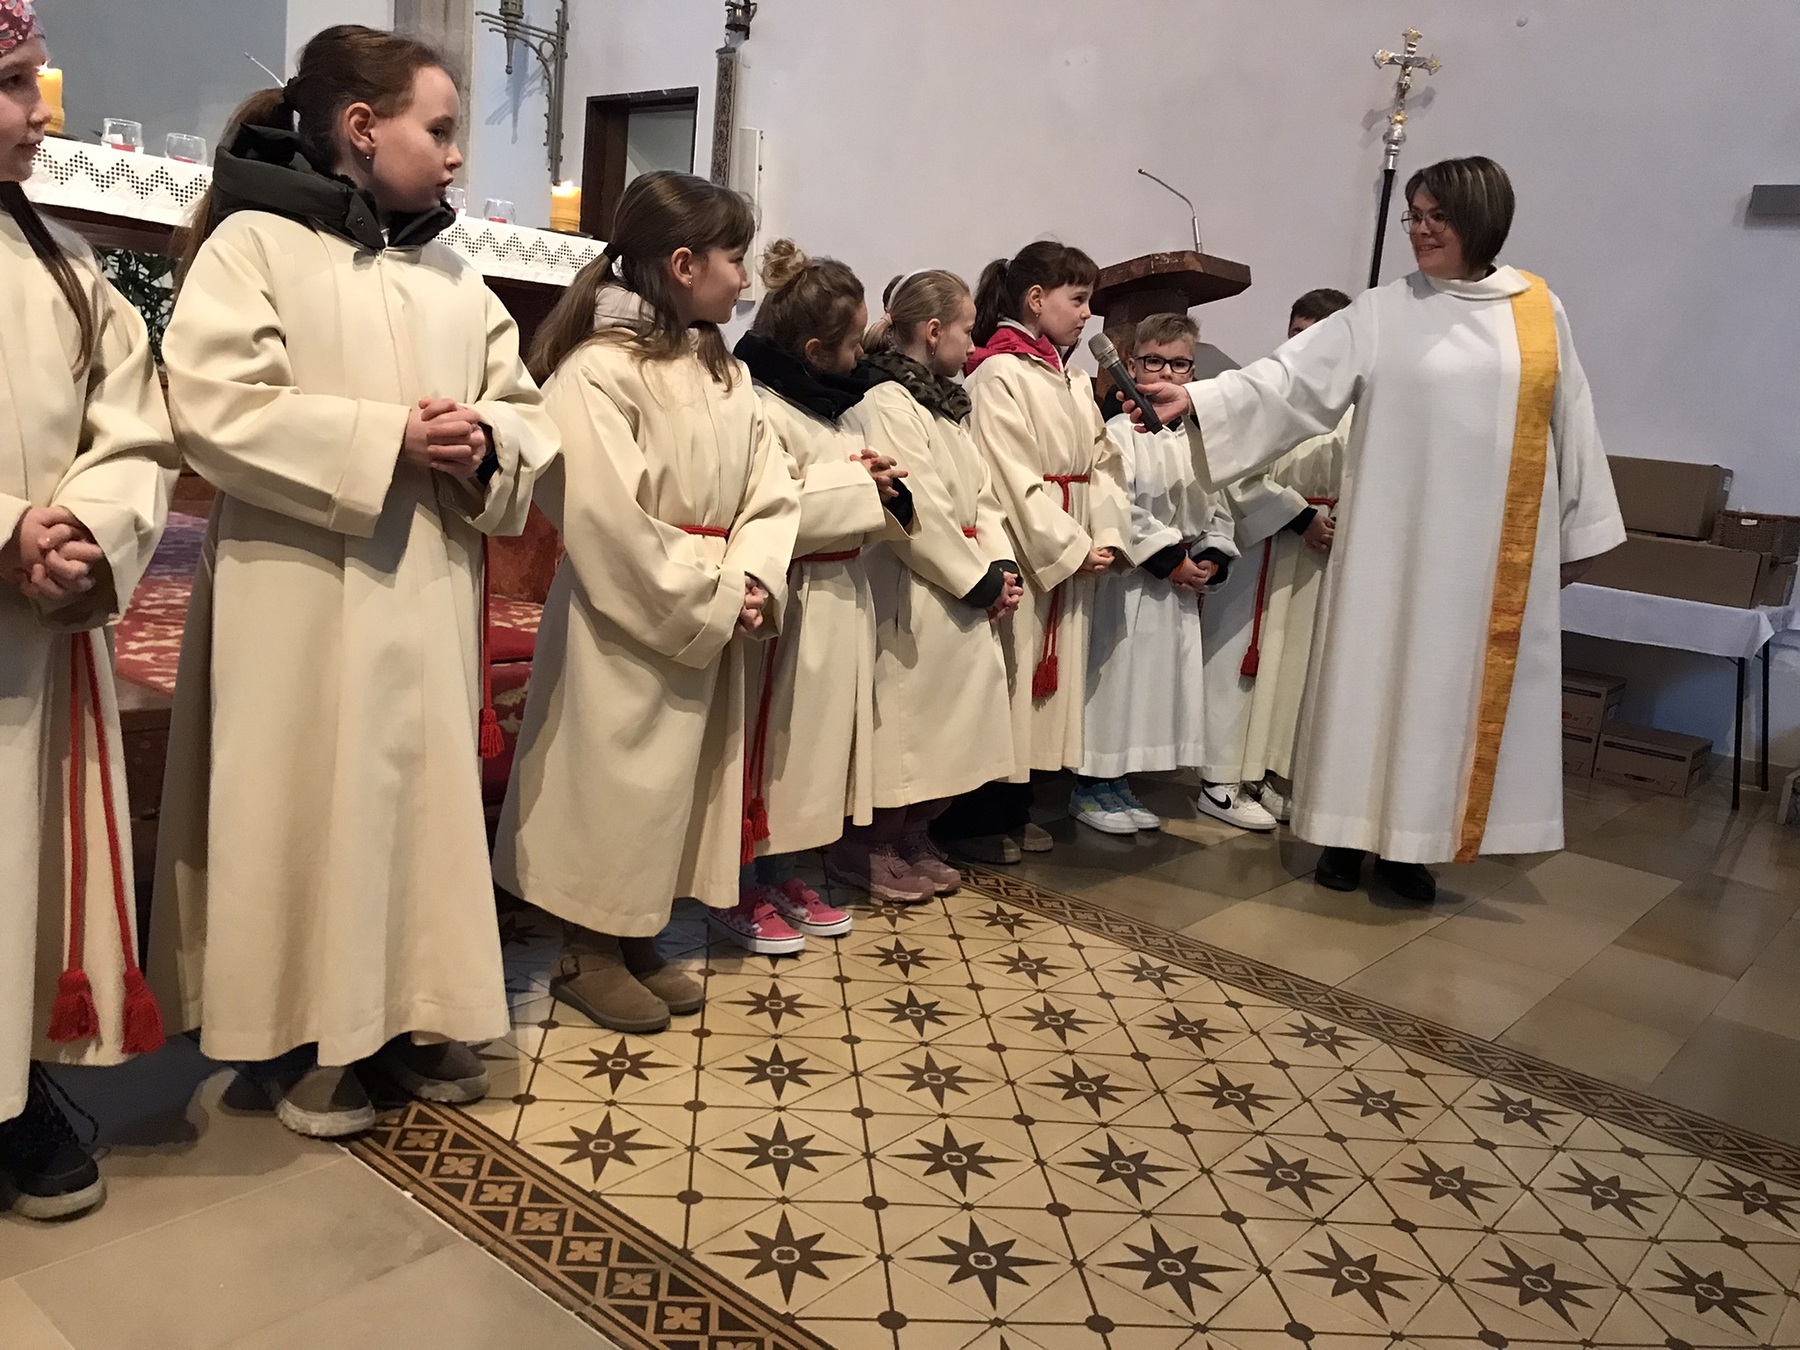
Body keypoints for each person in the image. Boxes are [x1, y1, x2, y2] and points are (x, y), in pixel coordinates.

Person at [149, 25, 557, 1137]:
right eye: (442, 129)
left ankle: (410, 1015)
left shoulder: (451, 273)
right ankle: (302, 1036)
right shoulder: (257, 245)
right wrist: (389, 439)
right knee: (305, 803)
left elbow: (524, 406)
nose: (457, 156)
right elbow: (215, 406)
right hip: (298, 593)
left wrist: (487, 441)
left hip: (422, 586)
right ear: (363, 128)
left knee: (410, 804)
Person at [1128, 157, 1623, 903]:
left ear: (1481, 219)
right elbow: (1289, 380)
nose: (1420, 230)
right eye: (1413, 216)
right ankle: (1343, 834)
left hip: (1478, 557)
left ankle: (1411, 850)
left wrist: (1582, 530)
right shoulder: (1386, 310)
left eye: (1437, 217)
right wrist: (1198, 400)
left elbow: (1570, 421)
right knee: (1365, 684)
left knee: (1442, 701)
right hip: (1388, 544)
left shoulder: (1536, 311)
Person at [494, 172, 798, 1031]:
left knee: (670, 786)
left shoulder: (723, 372)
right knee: (612, 780)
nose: (746, 277)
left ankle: (633, 938)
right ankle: (584, 950)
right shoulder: (595, 371)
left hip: (713, 598)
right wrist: (717, 591)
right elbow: (603, 518)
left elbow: (771, 489)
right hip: (623, 615)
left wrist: (755, 577)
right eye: (735, 258)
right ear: (683, 264)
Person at [0, 0, 179, 1219]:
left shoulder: (64, 267)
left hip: (38, 630)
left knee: (17, 867)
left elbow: (137, 426)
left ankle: (11, 1089)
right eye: (16, 83)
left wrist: (85, 530)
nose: (41, 113)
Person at [733, 241, 914, 928]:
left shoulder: (828, 406)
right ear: (813, 350)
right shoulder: (758, 405)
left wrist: (880, 488)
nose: (862, 354)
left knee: (813, 753)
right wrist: (855, 484)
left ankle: (785, 871)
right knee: (771, 750)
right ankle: (739, 883)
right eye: (852, 342)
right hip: (792, 598)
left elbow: (839, 489)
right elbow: (766, 507)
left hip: (840, 594)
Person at [931, 241, 1129, 863]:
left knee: (1043, 692)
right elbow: (1011, 475)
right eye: (1079, 299)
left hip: (1069, 541)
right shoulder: (999, 373)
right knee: (1010, 682)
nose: (1088, 314)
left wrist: (1105, 534)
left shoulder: (1068, 376)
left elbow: (1103, 461)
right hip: (1025, 545)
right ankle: (973, 821)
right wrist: (1070, 543)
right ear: (1036, 299)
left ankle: (1016, 809)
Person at [842, 270, 1022, 883]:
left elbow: (982, 497)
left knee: (952, 730)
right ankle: (870, 845)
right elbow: (916, 505)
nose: (974, 345)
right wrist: (978, 580)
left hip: (961, 581)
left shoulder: (944, 405)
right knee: (910, 728)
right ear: (934, 330)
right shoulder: (886, 401)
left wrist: (1001, 564)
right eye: (968, 331)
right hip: (914, 583)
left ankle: (915, 832)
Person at [1075, 312, 1237, 834]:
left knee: (1152, 688)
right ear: (1131, 364)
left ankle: (1122, 781)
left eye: (1180, 364)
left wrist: (1212, 554)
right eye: (1154, 361)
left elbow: (1218, 503)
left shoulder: (1197, 437)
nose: (1166, 373)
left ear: (1193, 369)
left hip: (1178, 584)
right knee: (1116, 681)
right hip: (1129, 581)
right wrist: (1170, 559)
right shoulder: (1118, 433)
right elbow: (1114, 503)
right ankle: (1092, 784)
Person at [1198, 289, 1351, 831]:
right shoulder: (1267, 393)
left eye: (1314, 335)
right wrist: (1299, 515)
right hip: (1263, 545)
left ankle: (1260, 773)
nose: (1299, 345)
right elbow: (1233, 470)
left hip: (1317, 554)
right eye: (1294, 333)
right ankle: (1218, 778)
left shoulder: (1356, 404)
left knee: (1291, 668)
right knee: (1239, 659)